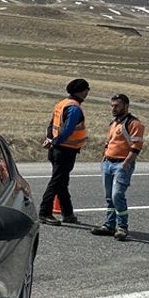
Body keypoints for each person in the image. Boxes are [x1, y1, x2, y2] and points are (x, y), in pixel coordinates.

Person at [91, 94, 145, 241]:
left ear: (126, 106)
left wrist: (127, 163)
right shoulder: (114, 123)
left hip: (122, 164)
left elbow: (137, 146)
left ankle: (122, 227)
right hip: (108, 163)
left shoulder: (134, 124)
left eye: (117, 106)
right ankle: (109, 225)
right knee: (109, 198)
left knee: (117, 195)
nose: (113, 108)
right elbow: (109, 142)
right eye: (112, 105)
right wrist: (104, 157)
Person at [38, 78, 89, 225]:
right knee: (57, 181)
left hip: (56, 149)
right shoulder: (74, 108)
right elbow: (68, 129)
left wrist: (50, 139)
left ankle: (68, 213)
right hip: (65, 150)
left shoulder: (61, 104)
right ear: (83, 91)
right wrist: (55, 141)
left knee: (62, 181)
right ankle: (44, 212)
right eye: (87, 90)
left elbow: (51, 125)